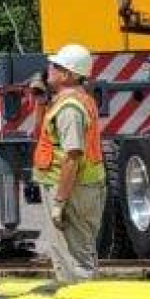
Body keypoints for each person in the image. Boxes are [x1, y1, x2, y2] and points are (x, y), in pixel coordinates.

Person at [32, 41, 106, 283]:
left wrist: (60, 201)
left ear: (69, 74)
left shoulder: (70, 108)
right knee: (68, 253)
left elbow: (72, 156)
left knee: (75, 257)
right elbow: (39, 136)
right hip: (76, 186)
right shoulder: (66, 102)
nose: (48, 69)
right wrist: (41, 101)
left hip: (72, 189)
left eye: (55, 66)